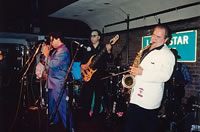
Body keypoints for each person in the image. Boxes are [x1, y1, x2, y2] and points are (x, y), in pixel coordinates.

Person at [125, 24, 175, 132]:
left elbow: (165, 76)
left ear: (166, 39)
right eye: (153, 35)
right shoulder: (147, 49)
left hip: (148, 100)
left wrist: (142, 72)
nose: (154, 38)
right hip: (135, 97)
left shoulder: (167, 55)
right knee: (130, 127)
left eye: (158, 37)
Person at [80, 29, 112, 118]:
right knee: (87, 96)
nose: (92, 37)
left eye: (94, 36)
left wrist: (109, 51)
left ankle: (96, 115)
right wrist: (82, 66)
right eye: (91, 36)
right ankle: (86, 114)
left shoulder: (103, 47)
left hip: (99, 75)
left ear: (98, 37)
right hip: (88, 75)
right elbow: (83, 61)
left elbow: (109, 59)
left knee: (98, 95)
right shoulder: (87, 48)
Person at [42, 32, 71, 130]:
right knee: (52, 107)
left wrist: (46, 55)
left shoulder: (64, 51)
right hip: (51, 83)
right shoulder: (56, 51)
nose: (51, 42)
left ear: (58, 39)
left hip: (59, 83)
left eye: (52, 40)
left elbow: (53, 64)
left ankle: (70, 128)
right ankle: (54, 121)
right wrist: (46, 54)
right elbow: (47, 63)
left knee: (63, 108)